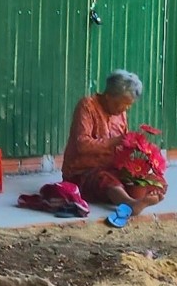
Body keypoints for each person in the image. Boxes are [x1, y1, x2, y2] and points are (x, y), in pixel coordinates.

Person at [62, 70, 167, 216]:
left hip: (112, 168)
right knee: (104, 179)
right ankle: (130, 203)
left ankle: (138, 196)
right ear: (108, 96)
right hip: (81, 172)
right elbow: (82, 144)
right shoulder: (87, 106)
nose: (125, 109)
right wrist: (116, 141)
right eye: (121, 104)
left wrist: (138, 152)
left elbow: (123, 147)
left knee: (152, 179)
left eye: (128, 106)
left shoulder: (120, 113)